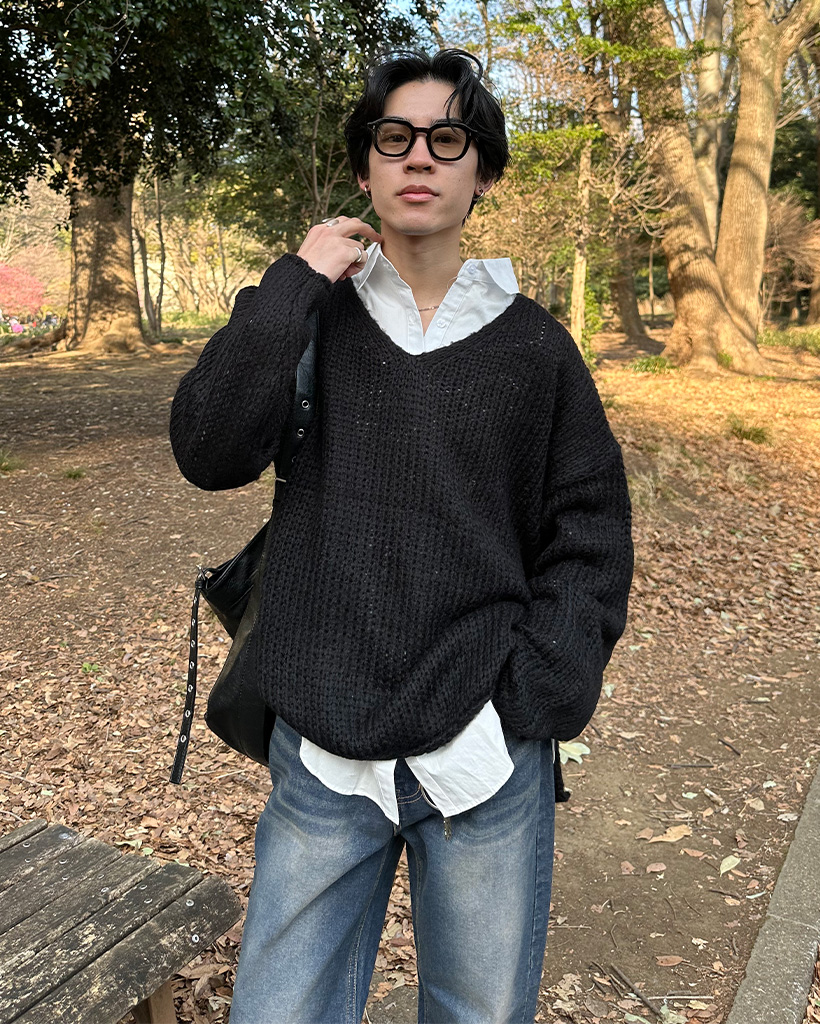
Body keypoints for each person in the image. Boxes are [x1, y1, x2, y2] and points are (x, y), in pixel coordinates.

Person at [169, 47, 633, 1024]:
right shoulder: (305, 317)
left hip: (483, 757)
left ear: (482, 171)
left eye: (447, 138)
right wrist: (295, 282)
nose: (419, 156)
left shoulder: (534, 349)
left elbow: (589, 536)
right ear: (365, 165)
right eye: (394, 136)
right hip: (321, 750)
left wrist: (529, 700)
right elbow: (209, 450)